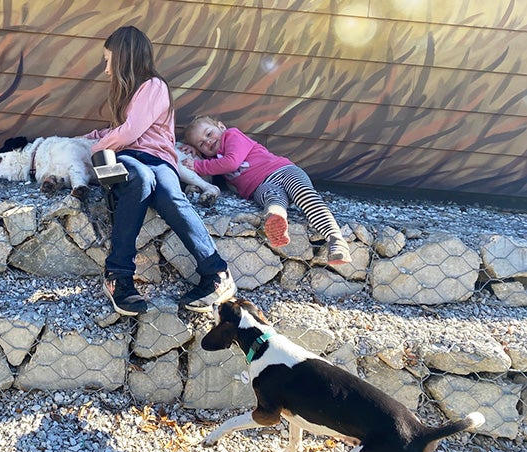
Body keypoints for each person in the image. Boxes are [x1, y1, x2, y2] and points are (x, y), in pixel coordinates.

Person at [82, 26, 236, 316]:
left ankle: (216, 274)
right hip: (133, 159)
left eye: (107, 60)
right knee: (140, 179)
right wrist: (100, 138)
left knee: (169, 193)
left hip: (158, 159)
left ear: (124, 57)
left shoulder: (154, 85)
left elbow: (131, 130)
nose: (105, 70)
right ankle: (118, 276)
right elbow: (124, 131)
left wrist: (96, 149)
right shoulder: (127, 94)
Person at [182, 115, 352, 265]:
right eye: (202, 143)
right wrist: (195, 152)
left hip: (282, 171)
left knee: (305, 197)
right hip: (261, 187)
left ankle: (336, 240)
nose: (208, 141)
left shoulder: (232, 135)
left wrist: (198, 165)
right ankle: (277, 221)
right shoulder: (212, 158)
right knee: (272, 200)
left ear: (221, 126)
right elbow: (215, 162)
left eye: (209, 134)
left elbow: (232, 162)